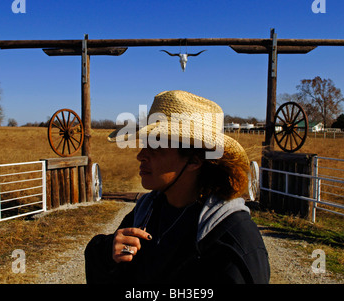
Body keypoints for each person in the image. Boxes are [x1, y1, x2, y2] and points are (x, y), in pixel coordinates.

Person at [85, 90, 270, 284]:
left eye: (156, 147)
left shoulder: (233, 238)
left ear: (194, 161)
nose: (140, 155)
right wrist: (108, 253)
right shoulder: (146, 211)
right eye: (143, 144)